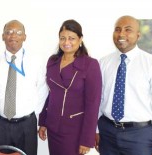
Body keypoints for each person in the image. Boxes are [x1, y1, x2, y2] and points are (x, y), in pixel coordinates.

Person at [96, 15, 152, 155]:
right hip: (107, 133)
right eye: (117, 29)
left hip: (139, 136)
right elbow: (98, 99)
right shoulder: (103, 63)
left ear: (138, 35)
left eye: (127, 29)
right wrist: (96, 130)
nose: (121, 34)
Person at [0, 20, 48, 155]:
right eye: (9, 32)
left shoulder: (35, 62)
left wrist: (33, 116)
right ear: (3, 36)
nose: (13, 36)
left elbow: (42, 91)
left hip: (27, 125)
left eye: (18, 32)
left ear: (24, 37)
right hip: (0, 124)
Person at [38, 19, 102, 155]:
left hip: (75, 131)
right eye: (63, 38)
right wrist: (43, 121)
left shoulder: (90, 64)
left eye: (71, 38)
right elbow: (51, 94)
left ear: (80, 39)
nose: (66, 42)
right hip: (53, 127)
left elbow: (93, 104)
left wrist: (87, 139)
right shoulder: (52, 61)